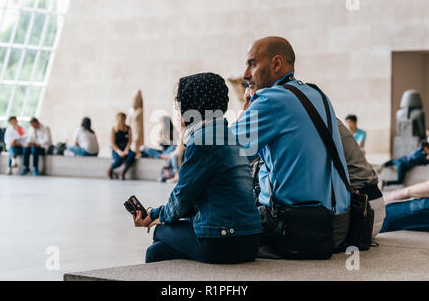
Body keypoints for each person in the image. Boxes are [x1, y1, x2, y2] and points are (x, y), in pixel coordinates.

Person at [232, 36, 351, 250]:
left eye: (252, 63)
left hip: (299, 228)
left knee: (200, 231)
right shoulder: (317, 94)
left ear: (276, 63)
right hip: (339, 221)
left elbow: (225, 150)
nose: (246, 74)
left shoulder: (272, 100)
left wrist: (246, 108)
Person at [133, 72, 262, 264]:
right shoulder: (229, 135)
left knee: (161, 231)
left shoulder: (203, 141)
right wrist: (154, 214)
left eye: (178, 105)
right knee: (158, 251)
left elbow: (183, 198)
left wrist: (157, 219)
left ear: (193, 105)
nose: (177, 112)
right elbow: (193, 199)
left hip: (223, 241)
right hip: (250, 240)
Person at [241, 83, 385, 238]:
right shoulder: (315, 111)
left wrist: (247, 114)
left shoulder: (286, 116)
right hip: (370, 207)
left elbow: (239, 152)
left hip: (358, 214)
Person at [108, 112, 136, 180]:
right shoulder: (114, 129)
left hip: (126, 148)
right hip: (117, 149)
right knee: (118, 160)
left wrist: (126, 150)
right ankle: (110, 169)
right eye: (121, 119)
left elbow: (130, 141)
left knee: (132, 154)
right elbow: (112, 143)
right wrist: (119, 152)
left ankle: (123, 172)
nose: (122, 121)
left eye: (124, 119)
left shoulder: (128, 128)